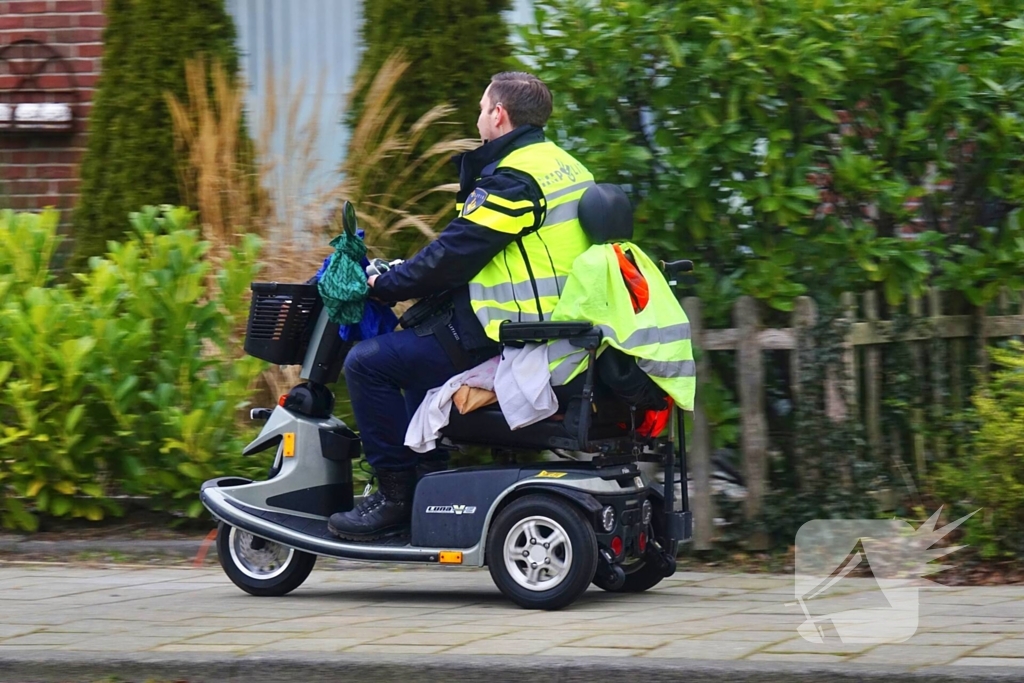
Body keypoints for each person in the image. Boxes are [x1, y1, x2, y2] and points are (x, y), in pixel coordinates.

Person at [328, 72, 595, 540]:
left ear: (498, 114)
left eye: (481, 107)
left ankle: (395, 496)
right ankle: (431, 482)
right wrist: (402, 272)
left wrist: (386, 285)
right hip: (558, 326)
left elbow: (454, 254)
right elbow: (473, 249)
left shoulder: (513, 179)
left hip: (515, 333)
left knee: (368, 364)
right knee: (413, 351)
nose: (478, 117)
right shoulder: (565, 166)